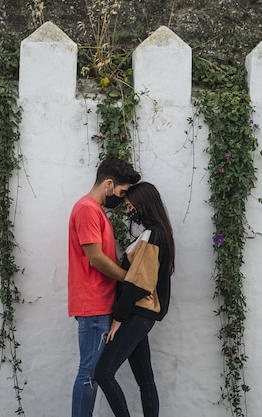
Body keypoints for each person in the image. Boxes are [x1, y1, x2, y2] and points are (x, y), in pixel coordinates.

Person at [94, 182, 175, 417]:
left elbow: (139, 282)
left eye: (130, 206)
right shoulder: (157, 233)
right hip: (142, 313)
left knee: (103, 373)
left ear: (143, 205)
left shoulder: (151, 235)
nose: (129, 210)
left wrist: (119, 317)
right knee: (145, 379)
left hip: (137, 313)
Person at [68, 156, 141, 417]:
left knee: (94, 374)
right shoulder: (88, 209)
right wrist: (128, 278)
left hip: (98, 304)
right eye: (121, 192)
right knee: (89, 374)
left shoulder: (95, 210)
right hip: (93, 304)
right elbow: (96, 258)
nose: (121, 199)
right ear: (108, 184)